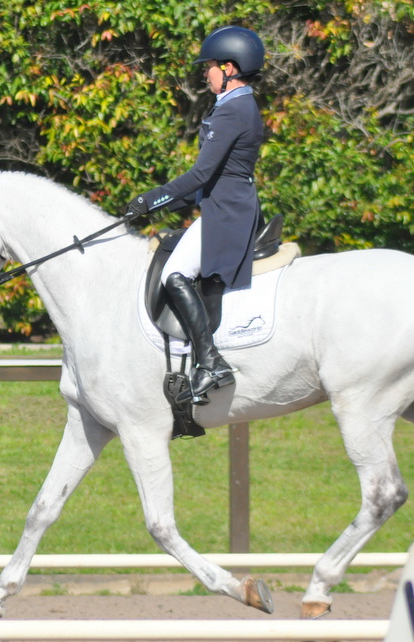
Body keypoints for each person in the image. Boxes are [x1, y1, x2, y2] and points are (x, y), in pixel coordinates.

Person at [127, 26, 266, 405]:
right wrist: (162, 206)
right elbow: (211, 179)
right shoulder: (235, 106)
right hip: (225, 206)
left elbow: (201, 175)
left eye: (209, 67)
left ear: (230, 68)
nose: (205, 74)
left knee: (175, 275)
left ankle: (210, 361)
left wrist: (150, 199)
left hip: (228, 213)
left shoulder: (234, 110)